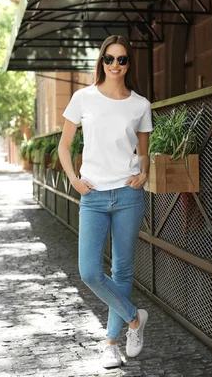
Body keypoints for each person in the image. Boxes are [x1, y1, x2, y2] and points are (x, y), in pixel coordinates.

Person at [58, 35, 152, 369]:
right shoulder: (83, 98)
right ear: (101, 61)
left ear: (129, 64)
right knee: (89, 272)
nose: (115, 65)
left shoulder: (140, 104)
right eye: (109, 59)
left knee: (123, 270)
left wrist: (145, 173)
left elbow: (144, 150)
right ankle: (134, 319)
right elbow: (64, 146)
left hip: (128, 195)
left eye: (122, 60)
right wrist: (73, 179)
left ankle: (111, 344)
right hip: (93, 196)